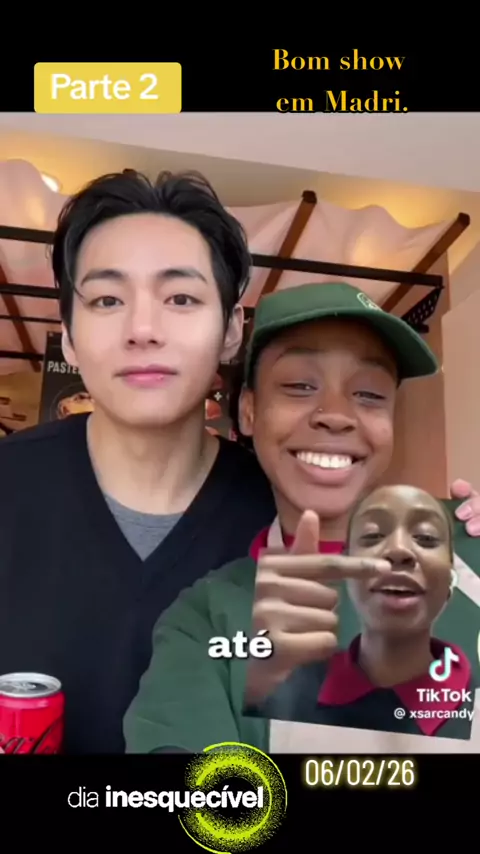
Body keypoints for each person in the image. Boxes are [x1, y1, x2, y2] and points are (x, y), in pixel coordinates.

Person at [123, 280, 480, 754]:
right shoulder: (207, 620)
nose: (337, 415)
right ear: (248, 411)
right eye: (299, 386)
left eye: (369, 394)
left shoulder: (468, 553)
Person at [0, 170, 276, 755]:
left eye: (181, 298)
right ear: (68, 336)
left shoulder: (283, 518)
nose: (143, 330)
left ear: (232, 329)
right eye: (107, 300)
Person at [245, 484, 479, 742]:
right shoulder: (284, 693)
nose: (399, 550)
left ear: (451, 579)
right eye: (373, 535)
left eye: (426, 538)